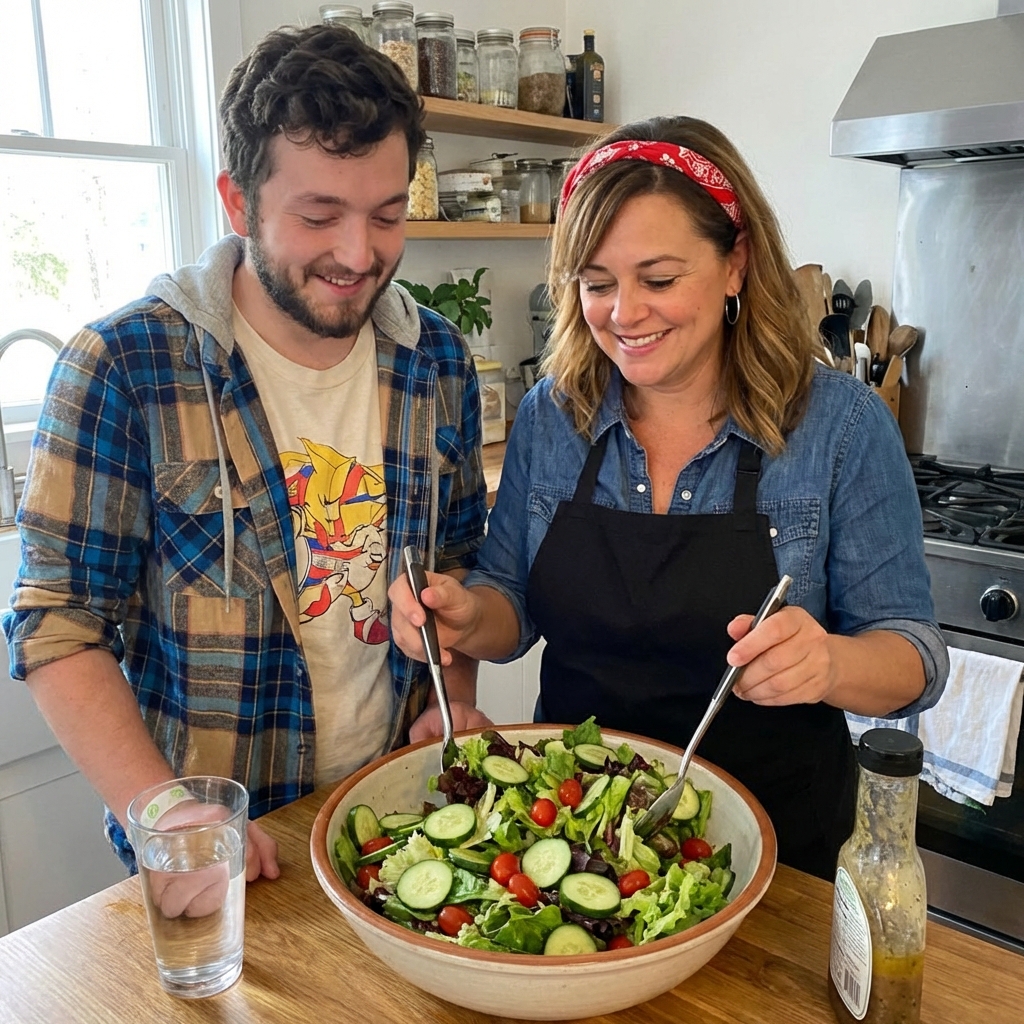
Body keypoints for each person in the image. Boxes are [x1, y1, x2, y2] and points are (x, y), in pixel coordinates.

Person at [389, 116, 948, 880]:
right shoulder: (552, 416)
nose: (624, 314)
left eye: (658, 279)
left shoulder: (840, 427)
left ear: (735, 264)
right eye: (595, 284)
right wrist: (464, 613)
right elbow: (509, 606)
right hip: (574, 835)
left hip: (779, 855)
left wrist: (828, 664)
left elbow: (914, 657)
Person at [2, 24, 489, 883]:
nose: (358, 254)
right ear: (237, 201)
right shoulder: (126, 366)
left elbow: (454, 565)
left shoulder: (437, 359)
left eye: (386, 215)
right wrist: (163, 811)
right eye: (318, 215)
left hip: (404, 827)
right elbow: (57, 623)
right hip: (226, 852)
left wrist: (456, 696)